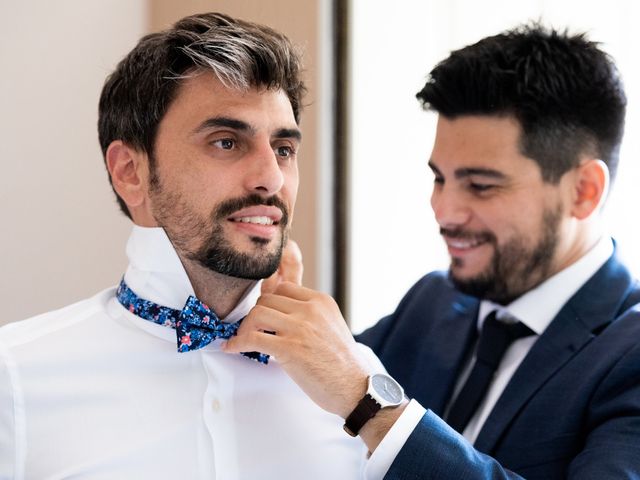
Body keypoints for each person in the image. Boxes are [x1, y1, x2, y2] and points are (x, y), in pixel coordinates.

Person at [224, 24, 640, 478]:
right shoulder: (430, 302)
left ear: (584, 190)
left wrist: (371, 405)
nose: (443, 210)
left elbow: (349, 388)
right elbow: (314, 395)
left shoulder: (630, 354)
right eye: (440, 178)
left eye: (480, 186)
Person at [0, 12, 380, 479]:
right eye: (226, 142)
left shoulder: (359, 386)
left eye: (283, 148)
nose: (271, 178)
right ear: (130, 172)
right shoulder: (14, 377)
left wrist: (362, 396)